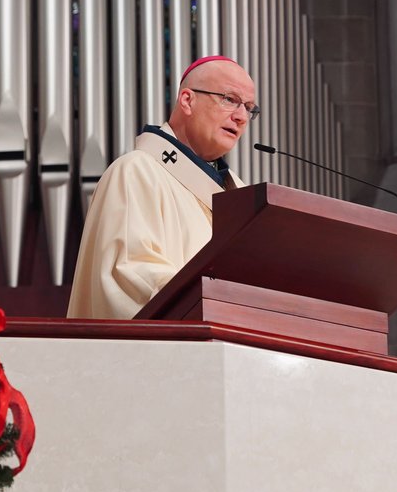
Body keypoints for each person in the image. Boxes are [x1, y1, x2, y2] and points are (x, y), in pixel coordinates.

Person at [67, 55, 259, 319]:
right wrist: (221, 306)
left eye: (249, 108)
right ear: (187, 101)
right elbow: (127, 273)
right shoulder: (136, 172)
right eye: (229, 99)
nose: (241, 117)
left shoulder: (240, 193)